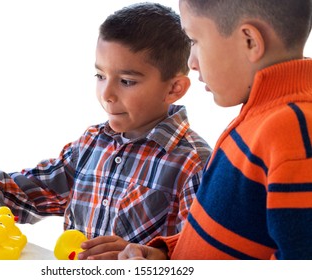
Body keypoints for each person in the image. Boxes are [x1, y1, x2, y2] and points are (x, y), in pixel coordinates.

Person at [0, 3, 212, 260]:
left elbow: (201, 255)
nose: (106, 94)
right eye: (100, 76)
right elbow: (23, 195)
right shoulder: (91, 144)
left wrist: (155, 257)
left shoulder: (193, 163)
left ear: (174, 88)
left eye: (126, 81)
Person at [119, 0, 312, 260]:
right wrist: (168, 255)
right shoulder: (260, 115)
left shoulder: (294, 132)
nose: (192, 62)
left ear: (250, 42)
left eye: (194, 41)